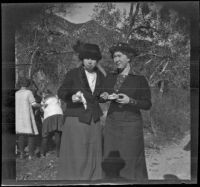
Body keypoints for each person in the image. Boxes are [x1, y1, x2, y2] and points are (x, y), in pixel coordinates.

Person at [100, 42, 152, 180]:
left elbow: (147, 104)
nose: (116, 59)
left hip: (131, 125)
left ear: (128, 57)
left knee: (131, 160)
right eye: (114, 57)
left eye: (119, 56)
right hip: (112, 123)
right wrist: (104, 96)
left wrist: (131, 101)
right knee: (111, 160)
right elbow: (100, 95)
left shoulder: (139, 79)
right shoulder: (110, 77)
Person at [57, 41, 105, 180]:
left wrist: (104, 96)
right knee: (77, 153)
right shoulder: (73, 74)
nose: (90, 61)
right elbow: (61, 92)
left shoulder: (101, 76)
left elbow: (100, 97)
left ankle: (92, 179)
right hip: (76, 119)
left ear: (97, 60)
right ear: (82, 59)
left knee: (93, 152)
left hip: (94, 120)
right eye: (87, 58)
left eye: (94, 58)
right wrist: (71, 97)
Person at [15, 77, 41, 160]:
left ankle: (22, 154)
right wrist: (42, 105)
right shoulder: (28, 92)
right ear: (28, 84)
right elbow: (34, 104)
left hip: (19, 117)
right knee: (31, 135)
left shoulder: (16, 93)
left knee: (21, 135)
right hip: (27, 116)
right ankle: (31, 155)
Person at [40, 92, 63, 158]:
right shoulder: (56, 97)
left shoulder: (44, 99)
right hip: (58, 114)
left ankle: (42, 154)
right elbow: (60, 105)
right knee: (57, 133)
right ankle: (58, 153)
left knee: (45, 135)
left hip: (49, 115)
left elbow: (42, 110)